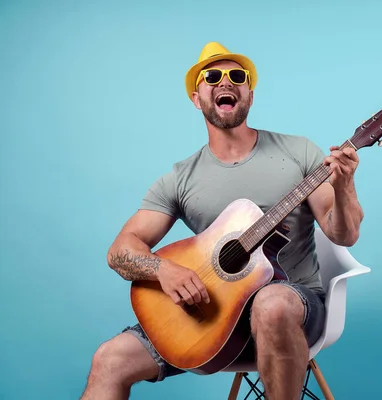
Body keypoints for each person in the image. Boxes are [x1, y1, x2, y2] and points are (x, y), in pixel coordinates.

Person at [80, 41, 364, 400]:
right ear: (197, 99)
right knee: (110, 359)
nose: (224, 82)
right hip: (212, 322)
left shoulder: (299, 152)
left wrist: (345, 186)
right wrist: (164, 271)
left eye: (236, 76)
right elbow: (120, 251)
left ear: (249, 94)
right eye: (212, 76)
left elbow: (345, 234)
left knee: (271, 303)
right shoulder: (181, 177)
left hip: (293, 311)